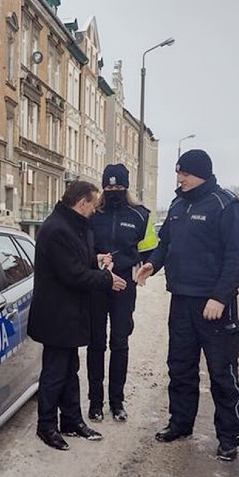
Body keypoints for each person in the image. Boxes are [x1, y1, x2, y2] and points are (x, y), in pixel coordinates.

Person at [135, 149, 239, 461]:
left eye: (184, 173)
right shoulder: (177, 204)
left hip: (214, 305)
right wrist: (152, 265)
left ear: (201, 173)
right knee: (181, 367)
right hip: (182, 301)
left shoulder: (226, 205)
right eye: (178, 173)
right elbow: (165, 244)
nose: (180, 179)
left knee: (222, 373)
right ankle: (180, 422)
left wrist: (220, 296)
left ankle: (229, 436)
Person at [28, 180, 127, 450]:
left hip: (70, 314)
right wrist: (107, 279)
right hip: (56, 315)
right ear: (81, 203)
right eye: (93, 205)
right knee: (55, 373)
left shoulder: (74, 225)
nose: (95, 210)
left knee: (70, 370)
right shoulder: (57, 229)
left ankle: (71, 420)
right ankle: (46, 426)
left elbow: (77, 262)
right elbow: (73, 275)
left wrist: (96, 260)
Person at [87, 164, 158, 423]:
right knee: (96, 343)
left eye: (118, 187)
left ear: (126, 187)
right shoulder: (93, 213)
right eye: (109, 186)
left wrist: (143, 266)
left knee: (120, 342)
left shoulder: (140, 215)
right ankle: (95, 402)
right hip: (96, 284)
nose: (113, 190)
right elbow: (81, 248)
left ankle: (117, 402)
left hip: (123, 287)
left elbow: (151, 249)